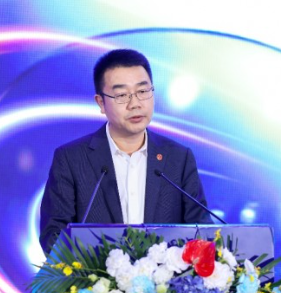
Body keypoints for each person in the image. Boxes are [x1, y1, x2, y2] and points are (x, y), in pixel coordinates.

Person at [39, 49, 212, 254]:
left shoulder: (178, 158)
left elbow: (202, 232)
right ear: (101, 103)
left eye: (143, 91)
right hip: (96, 275)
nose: (135, 104)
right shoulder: (71, 159)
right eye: (122, 95)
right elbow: (54, 236)